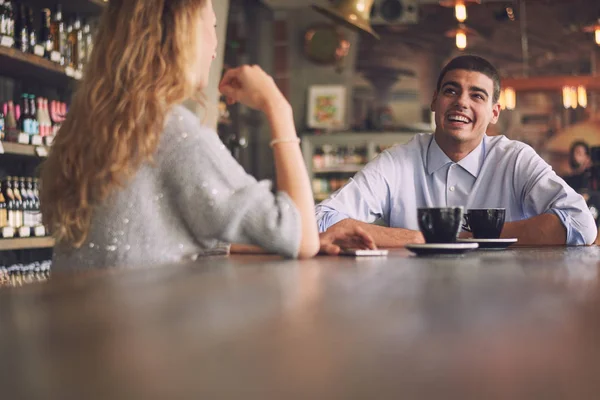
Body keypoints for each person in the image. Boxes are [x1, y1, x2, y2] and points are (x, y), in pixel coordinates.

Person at [40, 0, 374, 270]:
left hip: (80, 340)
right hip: (142, 344)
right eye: (211, 27)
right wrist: (278, 107)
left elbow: (160, 232)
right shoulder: (174, 131)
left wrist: (298, 236)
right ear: (183, 33)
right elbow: (302, 241)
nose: (214, 49)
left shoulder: (94, 125)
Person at [316, 55, 597, 246]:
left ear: (494, 112)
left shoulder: (515, 159)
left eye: (477, 95)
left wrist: (464, 237)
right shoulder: (398, 160)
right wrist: (418, 238)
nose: (461, 102)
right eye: (451, 91)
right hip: (411, 303)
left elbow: (580, 223)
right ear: (435, 101)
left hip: (505, 303)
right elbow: (321, 219)